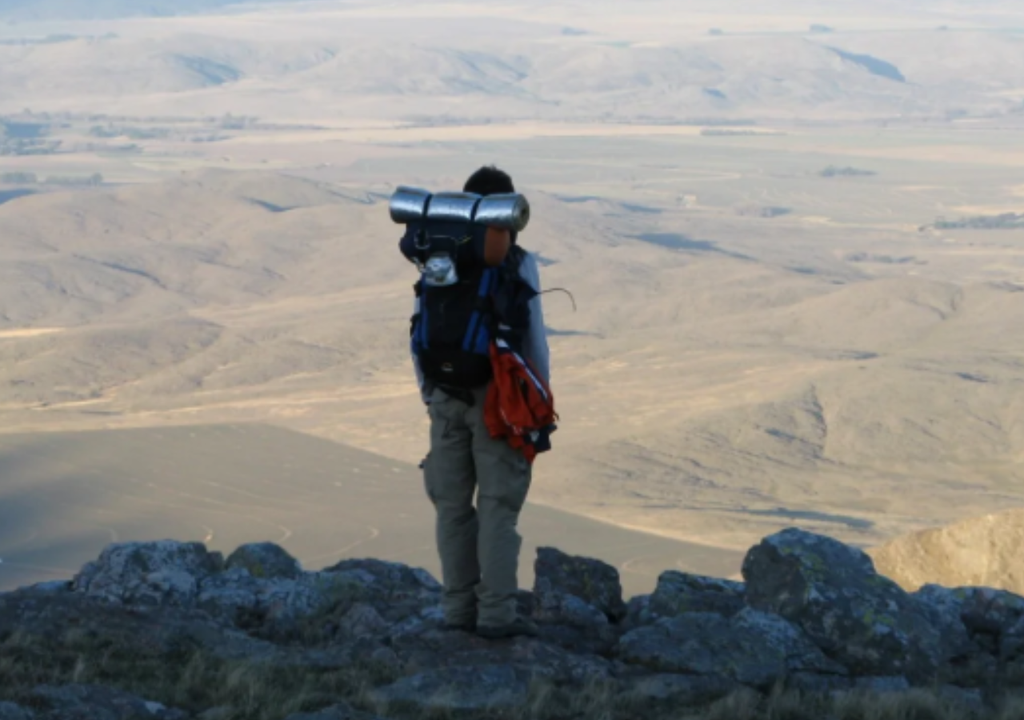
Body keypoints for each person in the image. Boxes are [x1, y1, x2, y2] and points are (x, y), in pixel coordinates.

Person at [412, 165, 550, 639]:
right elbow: (533, 342)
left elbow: (420, 327)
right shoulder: (517, 262)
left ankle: (457, 612)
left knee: (452, 508)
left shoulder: (438, 256)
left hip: (444, 395)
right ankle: (495, 617)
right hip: (500, 403)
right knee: (497, 508)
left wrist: (430, 394)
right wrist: (538, 405)